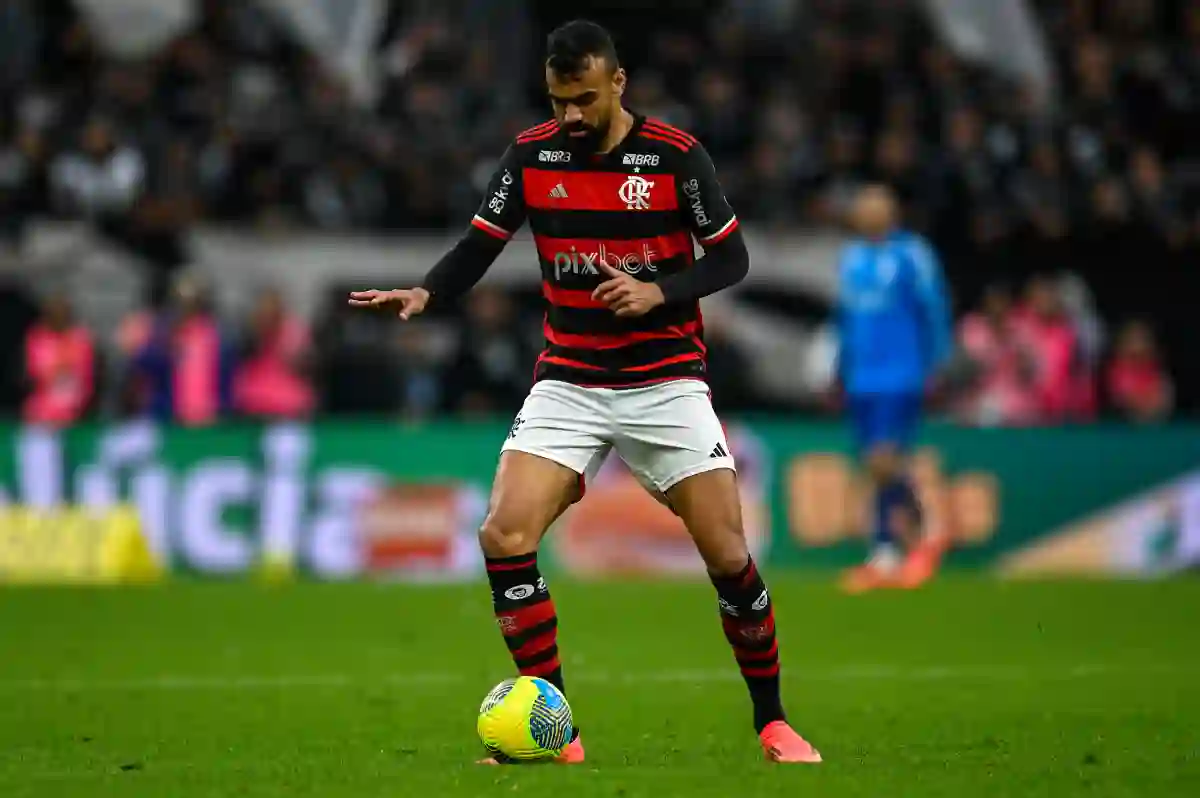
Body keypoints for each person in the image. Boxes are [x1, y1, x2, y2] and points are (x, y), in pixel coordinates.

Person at [349, 20, 819, 765]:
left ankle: (773, 721)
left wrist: (658, 291)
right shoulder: (533, 156)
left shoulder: (674, 158)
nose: (570, 115)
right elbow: (481, 244)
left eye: (585, 99)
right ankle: (557, 730)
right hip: (569, 378)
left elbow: (731, 259)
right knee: (503, 535)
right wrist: (427, 292)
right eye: (559, 99)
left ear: (618, 84)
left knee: (728, 555)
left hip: (665, 381)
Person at [834, 185, 951, 593]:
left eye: (873, 208)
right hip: (861, 377)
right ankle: (888, 553)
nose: (865, 215)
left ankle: (916, 534)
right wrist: (840, 366)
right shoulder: (851, 258)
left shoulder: (913, 255)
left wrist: (937, 363)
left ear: (892, 212)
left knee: (884, 460)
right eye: (861, 209)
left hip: (901, 372)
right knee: (876, 466)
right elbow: (845, 318)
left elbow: (934, 310)